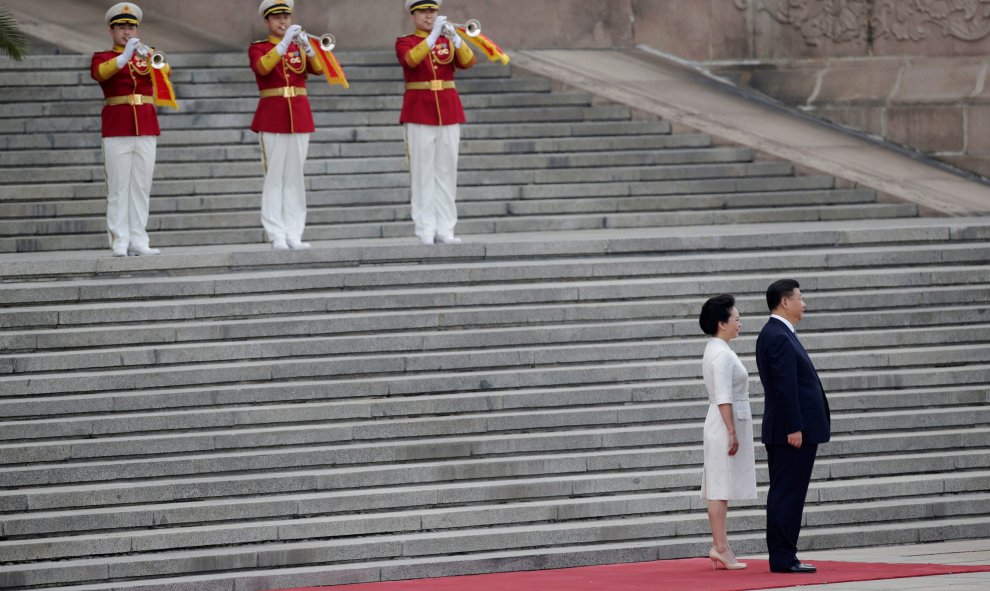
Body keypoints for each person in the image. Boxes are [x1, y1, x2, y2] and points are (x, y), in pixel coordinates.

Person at [756, 279, 831, 574]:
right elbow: (784, 387)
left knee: (787, 492)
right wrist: (794, 427)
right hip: (792, 432)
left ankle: (784, 555)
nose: (804, 303)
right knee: (788, 493)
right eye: (800, 298)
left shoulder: (781, 333)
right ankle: (784, 557)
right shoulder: (776, 335)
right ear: (785, 302)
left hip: (793, 428)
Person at [90, 2, 176, 257]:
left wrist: (147, 57)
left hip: (146, 126)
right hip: (117, 126)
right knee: (118, 187)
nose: (127, 32)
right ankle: (119, 240)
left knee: (141, 186)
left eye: (131, 27)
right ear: (112, 31)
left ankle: (139, 239)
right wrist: (124, 56)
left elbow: (167, 71)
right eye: (121, 27)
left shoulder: (147, 54)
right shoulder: (104, 56)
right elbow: (100, 73)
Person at [396, 0, 477, 245]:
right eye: (423, 12)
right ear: (414, 15)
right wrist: (431, 37)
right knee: (422, 173)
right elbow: (410, 60)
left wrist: (456, 38)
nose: (428, 16)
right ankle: (425, 229)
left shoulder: (446, 39)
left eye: (432, 11)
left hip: (449, 110)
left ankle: (445, 228)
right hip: (419, 110)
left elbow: (469, 61)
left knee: (446, 171)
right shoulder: (405, 41)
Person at [250, 0, 325, 250]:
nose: (283, 22)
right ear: (267, 22)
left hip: (300, 115)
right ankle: (276, 234)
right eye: (277, 18)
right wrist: (283, 45)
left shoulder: (299, 46)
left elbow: (319, 69)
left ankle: (294, 232)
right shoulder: (259, 48)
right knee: (274, 177)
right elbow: (262, 67)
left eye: (286, 17)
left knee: (295, 178)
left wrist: (309, 48)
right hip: (272, 116)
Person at [699, 294, 756, 570]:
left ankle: (722, 546)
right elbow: (723, 395)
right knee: (719, 488)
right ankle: (720, 547)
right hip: (723, 424)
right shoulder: (721, 353)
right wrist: (732, 431)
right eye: (736, 318)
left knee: (719, 488)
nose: (740, 323)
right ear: (722, 323)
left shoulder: (717, 348)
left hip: (721, 422)